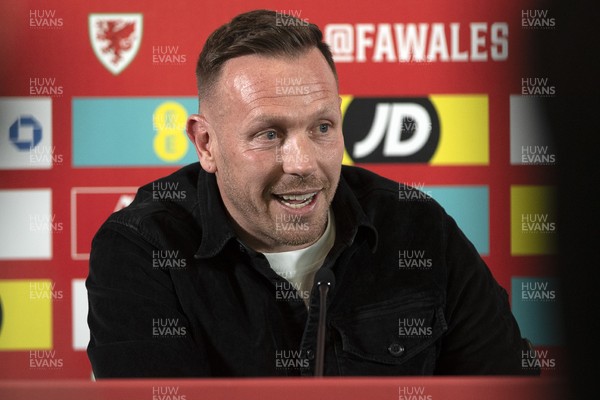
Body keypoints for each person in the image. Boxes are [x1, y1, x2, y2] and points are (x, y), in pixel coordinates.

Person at [86, 9, 536, 377]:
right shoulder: (142, 246)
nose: (303, 163)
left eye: (322, 127)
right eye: (268, 134)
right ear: (206, 144)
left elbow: (509, 385)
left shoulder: (417, 225)